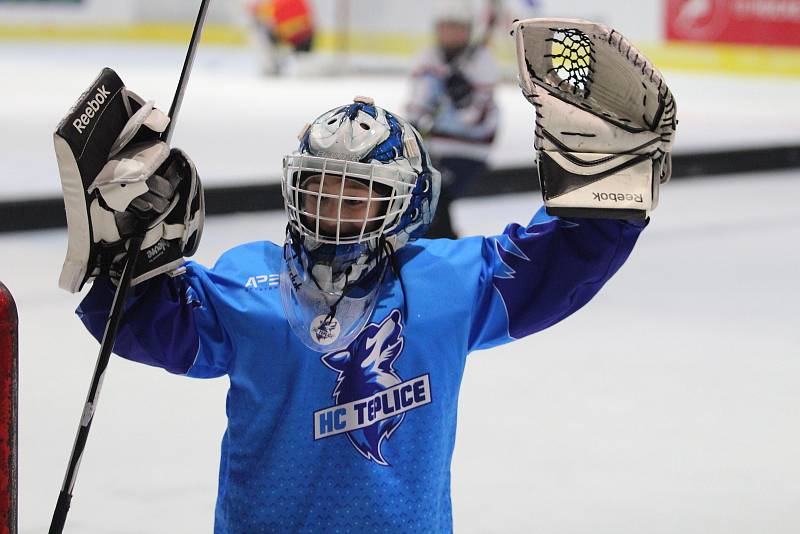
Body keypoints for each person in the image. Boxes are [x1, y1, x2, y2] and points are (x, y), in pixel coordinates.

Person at [53, 18, 676, 534]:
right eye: (318, 191)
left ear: (403, 204)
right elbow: (145, 326)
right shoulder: (249, 282)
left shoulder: (447, 284)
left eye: (357, 196)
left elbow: (559, 265)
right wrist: (125, 256)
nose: (332, 211)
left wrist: (607, 186)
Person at [405, 0, 500, 239]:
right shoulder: (429, 58)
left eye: (456, 28)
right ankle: (435, 241)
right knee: (417, 190)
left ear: (468, 30)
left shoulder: (482, 62)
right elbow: (418, 102)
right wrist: (409, 131)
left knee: (437, 191)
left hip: (470, 149)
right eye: (445, 27)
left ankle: (445, 244)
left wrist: (464, 98)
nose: (450, 33)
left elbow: (476, 119)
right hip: (435, 146)